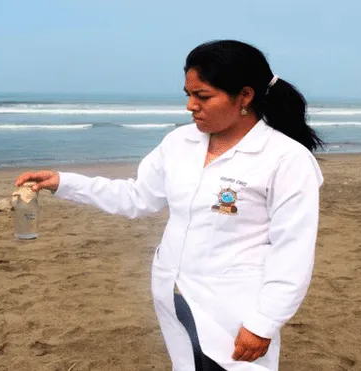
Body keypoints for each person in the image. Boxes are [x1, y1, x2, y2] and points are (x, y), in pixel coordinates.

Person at [16, 39, 324, 371]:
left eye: (203, 96)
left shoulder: (287, 159)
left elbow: (292, 250)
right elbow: (137, 197)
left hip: (236, 306)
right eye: (188, 95)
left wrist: (264, 322)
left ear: (245, 96)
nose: (191, 106)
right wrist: (65, 183)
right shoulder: (179, 143)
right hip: (173, 292)